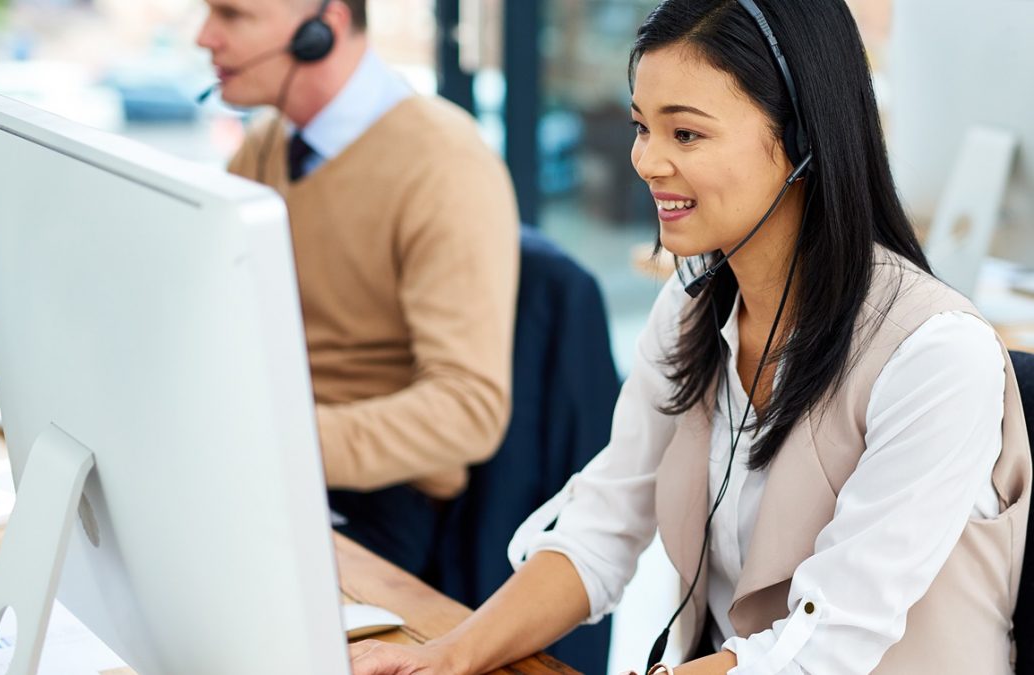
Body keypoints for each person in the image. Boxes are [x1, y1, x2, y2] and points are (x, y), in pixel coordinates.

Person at [348, 0, 1031, 673]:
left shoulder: (936, 354)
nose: (645, 160)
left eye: (687, 134)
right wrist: (445, 654)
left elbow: (828, 641)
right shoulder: (693, 304)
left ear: (802, 139)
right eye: (642, 126)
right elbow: (601, 529)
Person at [196, 0, 519, 577]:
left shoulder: (444, 163)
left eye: (233, 15)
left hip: (373, 509)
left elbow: (469, 410)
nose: (204, 37)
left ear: (325, 27)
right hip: (269, 469)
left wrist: (272, 442)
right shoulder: (267, 143)